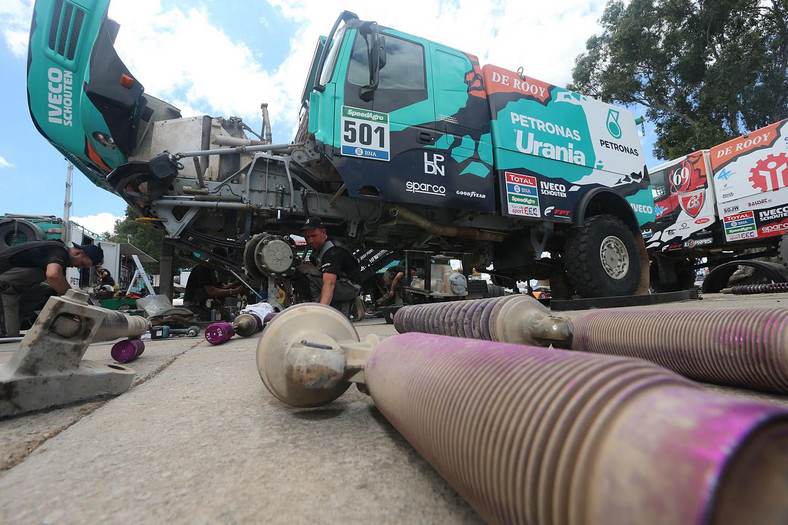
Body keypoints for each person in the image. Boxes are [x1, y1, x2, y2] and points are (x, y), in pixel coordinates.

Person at [0, 240, 104, 337]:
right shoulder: (58, 251)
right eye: (82, 264)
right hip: (4, 290)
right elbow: (53, 275)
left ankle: (15, 317)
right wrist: (74, 298)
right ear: (78, 253)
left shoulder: (58, 258)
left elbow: (59, 286)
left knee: (52, 292)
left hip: (16, 290)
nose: (79, 267)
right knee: (9, 337)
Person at [293, 217, 361, 317]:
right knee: (301, 267)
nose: (310, 240)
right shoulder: (320, 247)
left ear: (323, 232)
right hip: (344, 284)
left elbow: (329, 283)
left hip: (349, 287)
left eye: (314, 236)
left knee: (304, 272)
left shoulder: (332, 251)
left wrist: (321, 312)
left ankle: (317, 309)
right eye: (307, 237)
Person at [184, 248, 246, 321]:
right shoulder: (203, 269)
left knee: (227, 316)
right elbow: (211, 291)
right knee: (219, 318)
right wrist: (233, 291)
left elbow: (222, 287)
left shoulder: (213, 270)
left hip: (205, 305)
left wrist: (236, 283)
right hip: (195, 306)